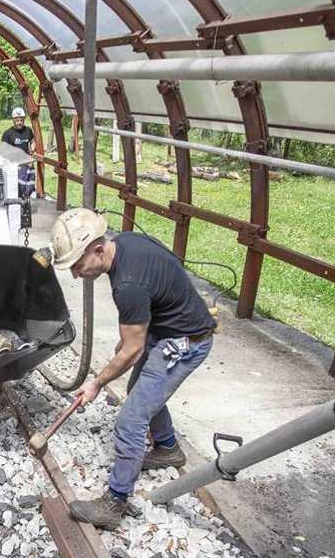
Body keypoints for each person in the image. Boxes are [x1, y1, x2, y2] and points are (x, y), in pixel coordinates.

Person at [49, 208, 216, 529]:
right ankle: (168, 448)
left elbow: (133, 347)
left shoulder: (128, 284)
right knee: (139, 390)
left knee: (131, 419)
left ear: (97, 249)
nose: (75, 274)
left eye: (77, 265)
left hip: (183, 343)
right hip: (167, 330)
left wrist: (97, 382)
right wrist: (129, 346)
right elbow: (135, 334)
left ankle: (115, 502)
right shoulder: (124, 244)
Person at [1, 107, 37, 198]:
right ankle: (19, 199)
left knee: (30, 185)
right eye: (17, 121)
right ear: (13, 120)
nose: (19, 122)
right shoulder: (8, 133)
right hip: (14, 165)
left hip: (26, 162)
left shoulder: (28, 131)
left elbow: (32, 141)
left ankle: (26, 198)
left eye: (21, 120)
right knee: (18, 187)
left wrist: (32, 150)